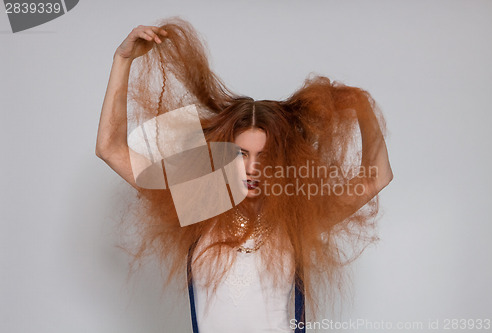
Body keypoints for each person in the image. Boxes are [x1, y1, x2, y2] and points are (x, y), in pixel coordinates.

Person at [95, 17, 393, 333]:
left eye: (265, 156)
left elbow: (377, 177)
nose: (253, 168)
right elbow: (110, 148)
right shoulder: (195, 208)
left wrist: (363, 109)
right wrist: (122, 60)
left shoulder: (296, 219)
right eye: (241, 154)